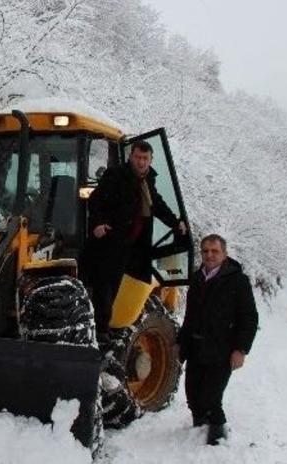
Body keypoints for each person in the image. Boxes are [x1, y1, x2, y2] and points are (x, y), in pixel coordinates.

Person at [80, 141, 187, 340]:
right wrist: (98, 224)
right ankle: (101, 331)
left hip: (135, 245)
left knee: (123, 283)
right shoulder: (116, 176)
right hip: (112, 241)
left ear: (150, 160)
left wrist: (175, 222)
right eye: (137, 157)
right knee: (106, 284)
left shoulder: (148, 181)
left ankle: (113, 325)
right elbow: (96, 200)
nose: (141, 162)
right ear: (131, 157)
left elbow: (158, 206)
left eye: (145, 158)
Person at [178, 234, 258, 445]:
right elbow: (190, 316)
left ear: (224, 254)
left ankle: (217, 434)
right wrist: (181, 343)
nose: (209, 255)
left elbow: (249, 317)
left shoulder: (238, 281)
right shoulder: (197, 278)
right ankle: (200, 422)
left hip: (222, 348)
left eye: (215, 251)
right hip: (196, 347)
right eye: (205, 251)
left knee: (211, 396)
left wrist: (240, 349)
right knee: (193, 394)